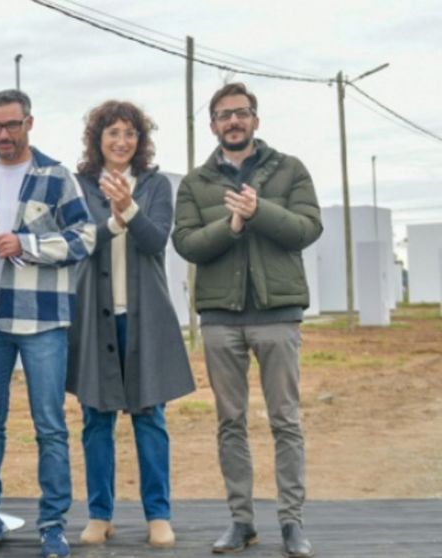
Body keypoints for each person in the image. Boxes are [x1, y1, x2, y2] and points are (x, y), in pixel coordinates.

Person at [172, 82, 321, 558]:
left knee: (285, 420)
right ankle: (241, 521)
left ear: (256, 119)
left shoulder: (291, 169)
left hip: (278, 315)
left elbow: (306, 229)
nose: (232, 121)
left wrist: (259, 211)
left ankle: (292, 522)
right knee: (230, 421)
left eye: (240, 113)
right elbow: (186, 243)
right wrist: (232, 225)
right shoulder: (195, 183)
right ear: (212, 125)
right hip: (220, 319)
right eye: (223, 115)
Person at [0, 89, 95, 558]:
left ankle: (53, 523)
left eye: (11, 125)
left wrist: (27, 245)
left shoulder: (57, 178)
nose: (2, 135)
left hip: (43, 320)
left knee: (50, 425)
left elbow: (85, 238)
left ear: (29, 124)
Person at [67, 100, 195, 549]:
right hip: (94, 316)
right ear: (97, 139)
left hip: (146, 317)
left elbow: (157, 240)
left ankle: (158, 515)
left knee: (150, 416)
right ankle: (99, 515)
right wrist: (113, 217)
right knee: (96, 418)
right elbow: (78, 242)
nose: (122, 141)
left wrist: (130, 209)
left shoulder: (157, 184)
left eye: (130, 134)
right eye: (113, 133)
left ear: (140, 141)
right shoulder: (78, 184)